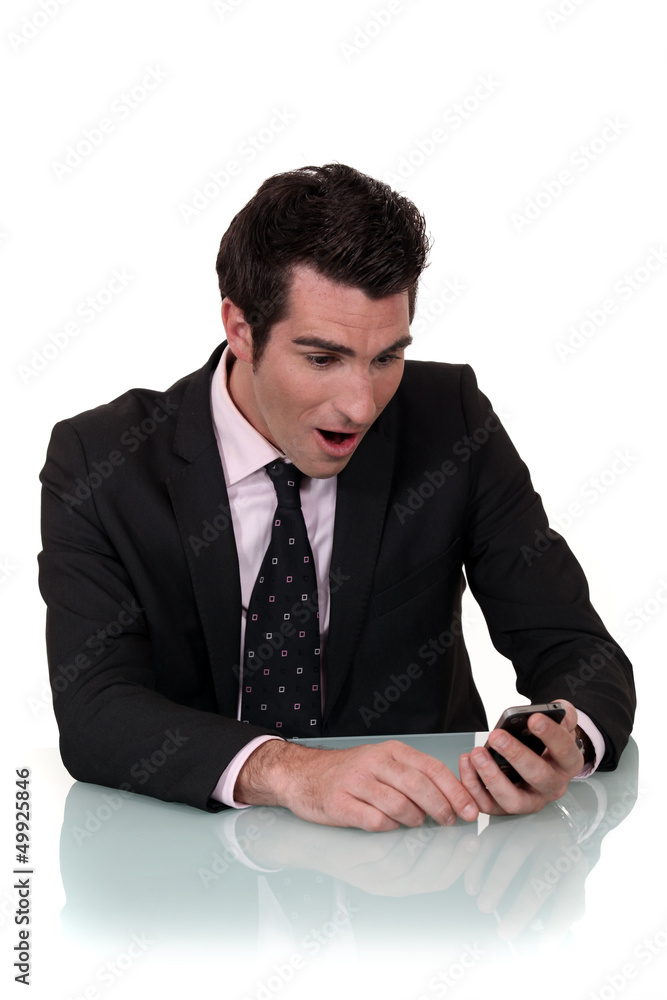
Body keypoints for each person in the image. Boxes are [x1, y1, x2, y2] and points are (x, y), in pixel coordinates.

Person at [38, 163, 635, 833]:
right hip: (187, 854)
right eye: (322, 359)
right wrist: (291, 772)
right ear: (240, 328)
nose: (361, 405)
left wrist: (563, 743)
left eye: (385, 357)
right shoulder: (100, 462)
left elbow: (577, 648)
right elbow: (96, 710)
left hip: (420, 852)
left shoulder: (450, 421)